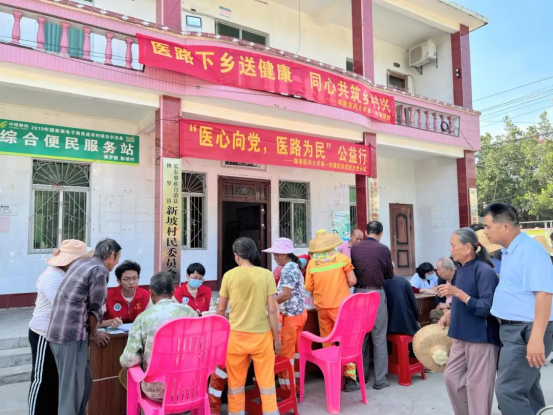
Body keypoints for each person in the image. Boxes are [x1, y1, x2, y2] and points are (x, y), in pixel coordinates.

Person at [482, 203, 553, 415]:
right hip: (516, 329)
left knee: (508, 391)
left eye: (488, 226)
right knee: (527, 390)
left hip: (526, 330)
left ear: (505, 227)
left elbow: (544, 294)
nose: (485, 232)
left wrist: (536, 339)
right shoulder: (509, 251)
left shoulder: (530, 251)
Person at [47, 238, 121, 415]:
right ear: (111, 255)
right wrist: (94, 332)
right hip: (70, 335)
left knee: (85, 381)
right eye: (118, 258)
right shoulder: (99, 270)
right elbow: (95, 308)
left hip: (59, 332)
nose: (117, 262)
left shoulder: (81, 263)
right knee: (71, 392)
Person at [437, 228, 499, 415]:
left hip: (481, 336)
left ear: (468, 247)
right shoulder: (460, 270)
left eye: (453, 245)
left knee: (478, 386)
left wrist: (458, 293)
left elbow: (487, 308)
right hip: (460, 334)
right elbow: (460, 301)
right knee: (452, 378)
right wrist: (449, 314)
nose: (451, 249)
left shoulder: (484, 271)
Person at [216, 237, 280, 415]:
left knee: (235, 384)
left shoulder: (229, 276)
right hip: (261, 337)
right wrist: (276, 338)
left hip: (236, 337)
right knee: (267, 383)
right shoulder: (266, 275)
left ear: (237, 255)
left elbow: (220, 310)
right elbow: (272, 311)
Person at [28, 240, 90, 415]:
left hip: (62, 336)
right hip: (44, 335)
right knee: (42, 380)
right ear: (71, 261)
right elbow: (68, 308)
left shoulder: (67, 275)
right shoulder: (53, 277)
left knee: (58, 381)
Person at [119, 271, 197, 401]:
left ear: (151, 293)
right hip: (191, 386)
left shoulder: (143, 318)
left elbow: (128, 360)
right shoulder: (189, 312)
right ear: (173, 291)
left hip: (157, 391)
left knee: (125, 373)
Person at [306, 229, 359, 392]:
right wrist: (341, 286)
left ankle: (331, 373)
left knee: (327, 340)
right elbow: (353, 280)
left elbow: (308, 287)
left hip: (322, 308)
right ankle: (350, 378)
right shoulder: (342, 259)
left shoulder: (312, 264)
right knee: (346, 339)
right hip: (342, 307)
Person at [350, 221, 393, 390]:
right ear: (380, 233)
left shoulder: (355, 249)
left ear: (366, 232)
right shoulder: (383, 249)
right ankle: (380, 380)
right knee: (379, 336)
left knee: (361, 337)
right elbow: (389, 274)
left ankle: (361, 376)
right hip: (376, 293)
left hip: (358, 294)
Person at [263, 238, 307, 392]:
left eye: (276, 254)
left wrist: (269, 304)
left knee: (285, 356)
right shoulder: (293, 266)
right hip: (298, 314)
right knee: (295, 354)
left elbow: (285, 294)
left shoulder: (288, 269)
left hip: (291, 317)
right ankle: (296, 388)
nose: (274, 258)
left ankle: (288, 391)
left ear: (284, 254)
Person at [101, 260, 149, 328]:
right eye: (126, 279)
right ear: (118, 281)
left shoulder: (146, 295)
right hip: (113, 333)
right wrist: (110, 322)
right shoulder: (107, 295)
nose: (131, 282)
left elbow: (150, 320)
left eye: (135, 278)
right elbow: (94, 323)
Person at [383, 270, 419, 337]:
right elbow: (413, 302)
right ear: (393, 269)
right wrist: (416, 319)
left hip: (385, 328)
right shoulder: (403, 281)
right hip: (406, 325)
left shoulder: (377, 283)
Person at [429, 257, 456, 324]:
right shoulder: (441, 279)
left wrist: (448, 306)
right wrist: (444, 309)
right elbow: (438, 298)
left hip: (456, 308)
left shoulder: (460, 278)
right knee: (434, 313)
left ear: (447, 270)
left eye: (439, 269)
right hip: (445, 308)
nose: (437, 272)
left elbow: (462, 299)